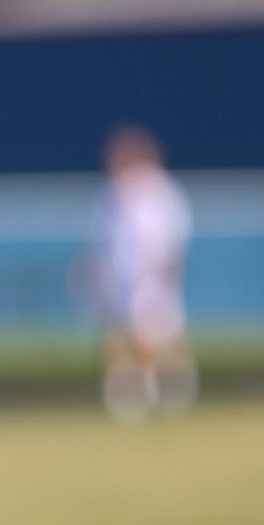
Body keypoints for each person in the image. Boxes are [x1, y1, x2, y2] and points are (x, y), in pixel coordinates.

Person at [88, 126, 196, 422]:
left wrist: (164, 276)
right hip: (121, 283)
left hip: (153, 282)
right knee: (122, 343)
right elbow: (104, 243)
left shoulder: (161, 193)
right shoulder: (110, 196)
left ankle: (170, 395)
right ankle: (133, 399)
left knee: (161, 341)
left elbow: (172, 239)